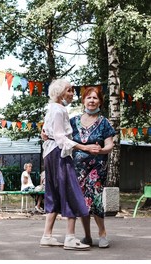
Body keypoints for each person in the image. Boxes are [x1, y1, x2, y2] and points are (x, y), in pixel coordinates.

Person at [40, 78, 101, 251]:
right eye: (68, 90)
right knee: (71, 191)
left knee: (53, 193)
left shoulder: (52, 108)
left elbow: (46, 132)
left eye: (72, 90)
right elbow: (60, 138)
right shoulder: (59, 110)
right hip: (59, 154)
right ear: (59, 92)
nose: (72, 93)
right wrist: (84, 147)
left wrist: (45, 135)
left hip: (49, 153)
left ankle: (47, 235)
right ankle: (70, 237)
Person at [70, 86, 115, 248]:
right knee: (82, 200)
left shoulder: (104, 122)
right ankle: (87, 236)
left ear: (100, 102)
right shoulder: (73, 121)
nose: (92, 100)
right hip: (77, 168)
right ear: (83, 101)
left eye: (95, 98)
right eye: (89, 97)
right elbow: (66, 140)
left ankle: (102, 233)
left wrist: (101, 150)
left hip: (97, 166)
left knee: (95, 198)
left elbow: (110, 145)